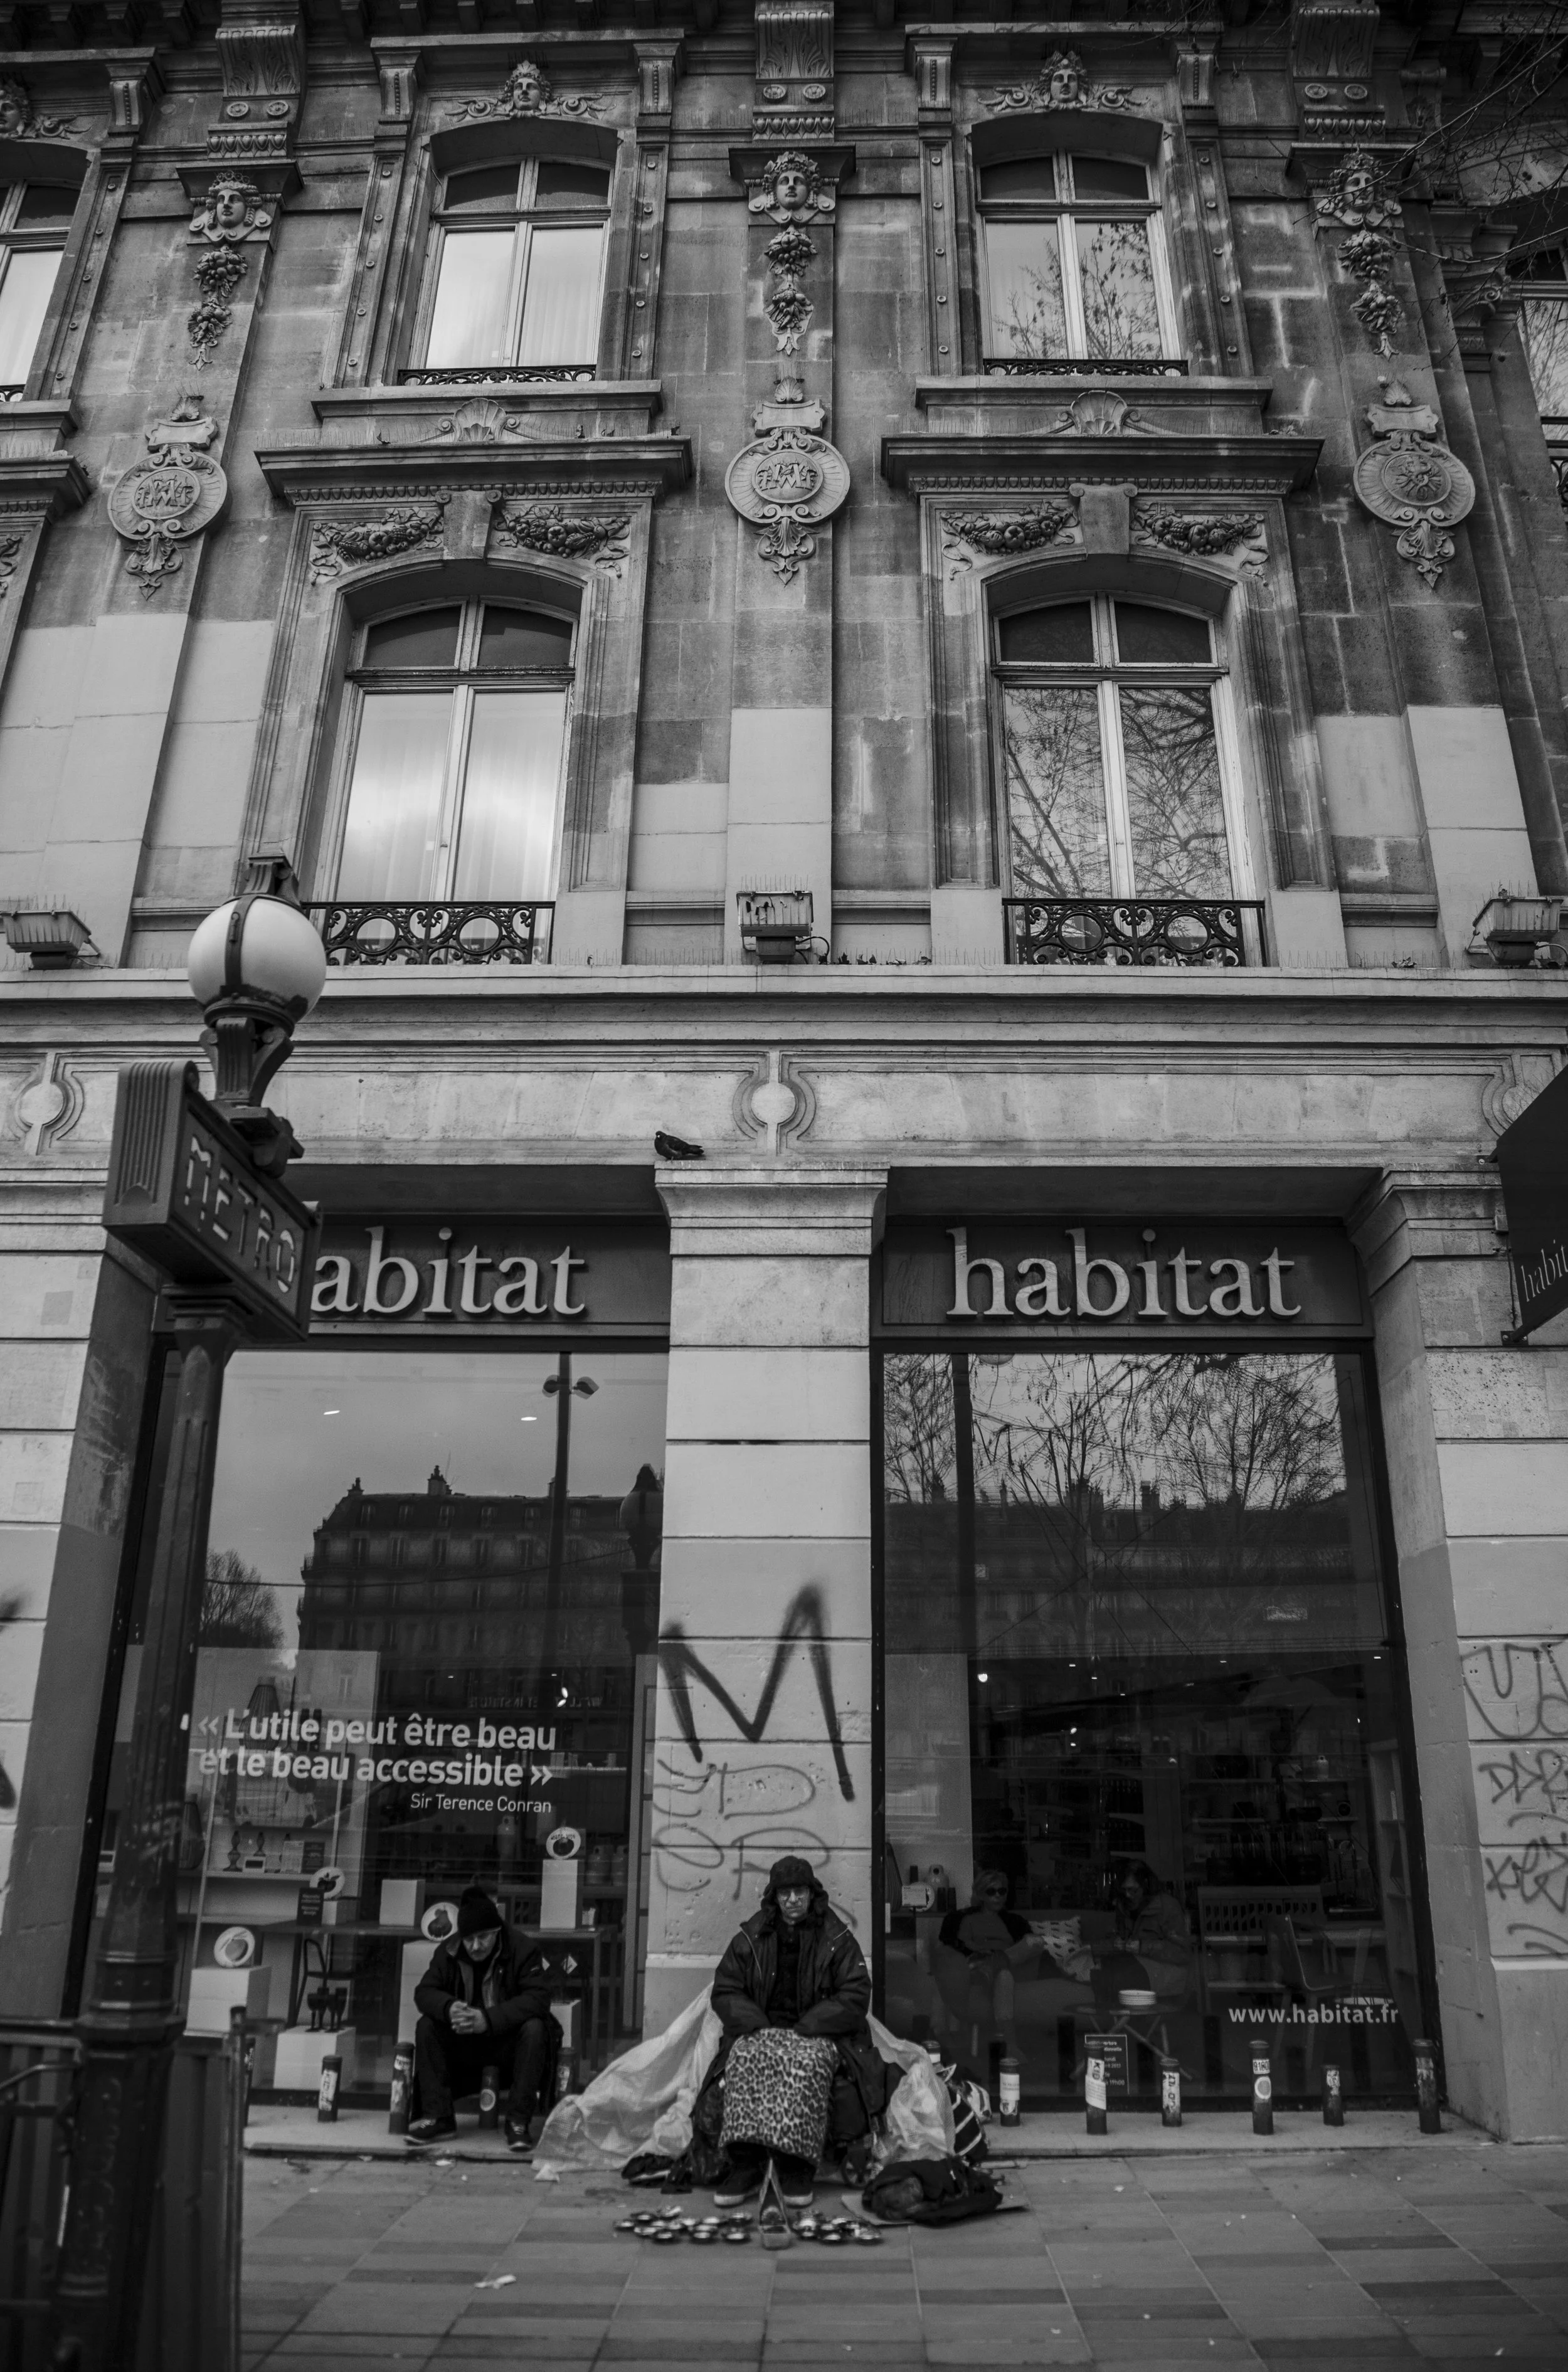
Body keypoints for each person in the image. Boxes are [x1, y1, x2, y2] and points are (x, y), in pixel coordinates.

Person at [700, 1855, 896, 2211]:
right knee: (744, 2059)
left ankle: (797, 2166)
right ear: (774, 1897)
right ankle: (746, 2163)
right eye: (785, 1893)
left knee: (805, 2065)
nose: (793, 1900)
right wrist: (756, 2025)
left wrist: (811, 2026)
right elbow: (726, 1990)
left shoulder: (836, 1938)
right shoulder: (751, 1937)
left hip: (819, 2033)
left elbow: (855, 1995)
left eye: (800, 1892)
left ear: (812, 1894)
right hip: (762, 2030)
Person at [409, 1884, 554, 2153]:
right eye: (469, 1939)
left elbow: (539, 1998)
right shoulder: (449, 1951)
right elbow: (424, 1992)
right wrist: (448, 2007)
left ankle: (519, 2122)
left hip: (507, 2044)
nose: (475, 1946)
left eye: (484, 1938)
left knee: (535, 2029)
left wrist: (488, 2019)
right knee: (427, 2025)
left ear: (497, 1932)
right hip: (464, 2045)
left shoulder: (523, 1949)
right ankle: (439, 2117)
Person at [1091, 1861, 1194, 2019]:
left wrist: (1143, 1947)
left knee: (1118, 1975)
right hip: (1129, 1964)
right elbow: (1116, 1936)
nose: (1128, 1895)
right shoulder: (1123, 1906)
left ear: (1147, 1887)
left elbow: (1182, 1952)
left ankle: (1121, 2028)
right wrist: (1117, 1942)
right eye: (1124, 1890)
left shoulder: (1167, 1906)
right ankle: (1111, 2027)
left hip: (1161, 1970)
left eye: (1133, 1890)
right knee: (1102, 1969)